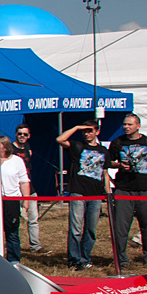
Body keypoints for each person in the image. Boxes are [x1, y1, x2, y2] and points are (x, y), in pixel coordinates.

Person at [57, 119, 109, 270]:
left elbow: (104, 173)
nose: (87, 133)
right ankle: (74, 259)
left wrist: (108, 193)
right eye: (84, 131)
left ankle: (85, 258)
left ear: (97, 132)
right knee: (76, 228)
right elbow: (60, 139)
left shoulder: (103, 151)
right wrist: (77, 126)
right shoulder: (77, 146)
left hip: (95, 194)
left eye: (90, 131)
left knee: (91, 229)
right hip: (78, 191)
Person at [107, 113, 147, 267]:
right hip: (124, 189)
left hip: (144, 189)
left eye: (130, 124)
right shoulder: (118, 142)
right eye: (125, 124)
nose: (126, 127)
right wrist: (119, 165)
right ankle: (121, 260)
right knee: (121, 227)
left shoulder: (146, 142)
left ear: (138, 125)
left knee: (145, 225)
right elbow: (108, 162)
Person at [12, 125, 44, 253]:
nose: (22, 136)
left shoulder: (28, 148)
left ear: (29, 136)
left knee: (33, 218)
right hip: (14, 190)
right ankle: (13, 246)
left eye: (25, 134)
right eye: (20, 134)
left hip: (29, 189)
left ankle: (35, 246)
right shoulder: (11, 149)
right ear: (16, 134)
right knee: (14, 221)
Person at [0, 137, 31, 262]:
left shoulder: (16, 161)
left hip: (11, 199)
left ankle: (14, 260)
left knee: (12, 231)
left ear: (5, 147)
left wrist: (26, 201)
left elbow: (24, 182)